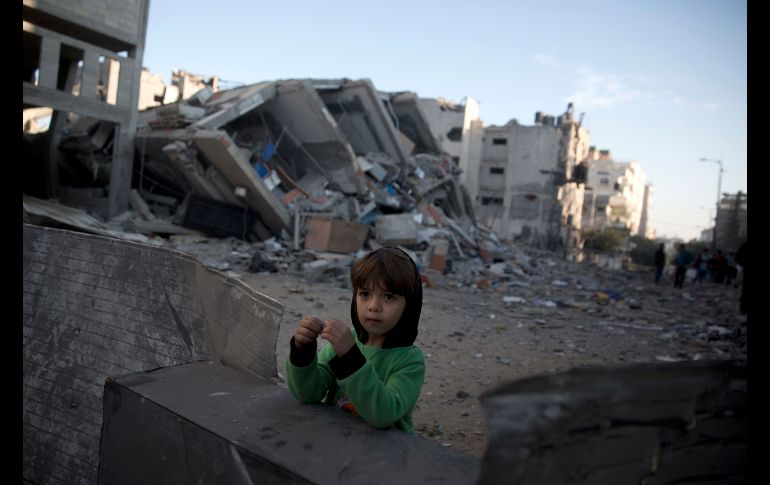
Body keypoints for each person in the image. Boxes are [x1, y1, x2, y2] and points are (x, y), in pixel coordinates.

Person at [285, 247, 425, 433]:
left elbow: (384, 414)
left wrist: (351, 357)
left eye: (389, 296)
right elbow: (307, 394)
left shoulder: (409, 361)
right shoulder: (344, 343)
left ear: (409, 307)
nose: (374, 306)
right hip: (340, 443)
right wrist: (302, 351)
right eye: (365, 294)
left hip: (389, 455)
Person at [734, 241, 747, 315]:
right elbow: (737, 257)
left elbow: (737, 257)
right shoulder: (745, 245)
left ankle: (744, 309)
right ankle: (744, 308)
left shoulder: (745, 245)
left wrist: (742, 264)